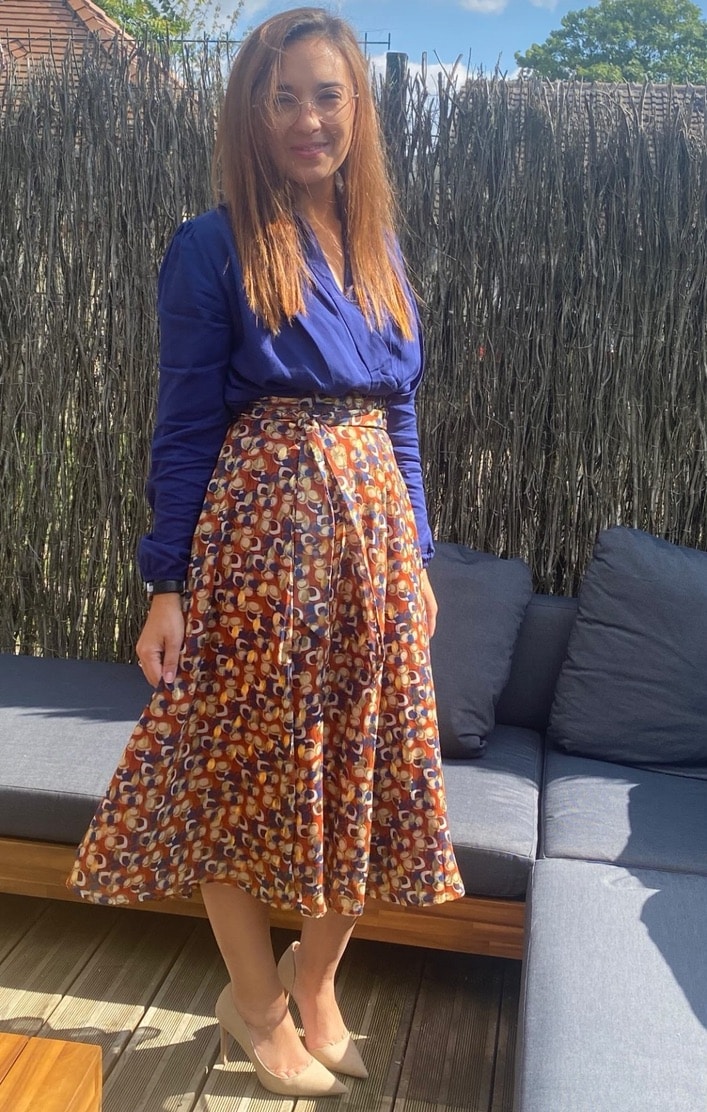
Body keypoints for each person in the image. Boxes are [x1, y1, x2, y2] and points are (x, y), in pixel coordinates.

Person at [67, 6, 464, 1098]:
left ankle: (315, 981)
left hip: (375, 555)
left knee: (377, 770)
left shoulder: (378, 244)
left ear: (356, 109)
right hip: (257, 550)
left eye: (326, 96)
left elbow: (399, 416)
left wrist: (416, 553)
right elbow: (186, 422)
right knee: (232, 777)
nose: (305, 119)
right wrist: (166, 582)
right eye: (281, 98)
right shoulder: (211, 245)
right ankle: (253, 1003)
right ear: (251, 113)